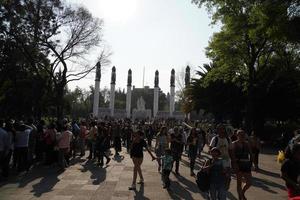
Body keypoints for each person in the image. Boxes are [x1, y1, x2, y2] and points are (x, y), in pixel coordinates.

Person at [231, 130, 253, 200]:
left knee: (249, 182)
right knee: (239, 183)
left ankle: (242, 193)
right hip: (238, 164)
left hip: (246, 164)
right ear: (237, 135)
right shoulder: (234, 144)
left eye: (243, 134)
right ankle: (240, 197)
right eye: (240, 134)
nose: (242, 136)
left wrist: (251, 163)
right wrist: (234, 165)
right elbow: (232, 156)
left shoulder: (247, 143)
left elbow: (251, 154)